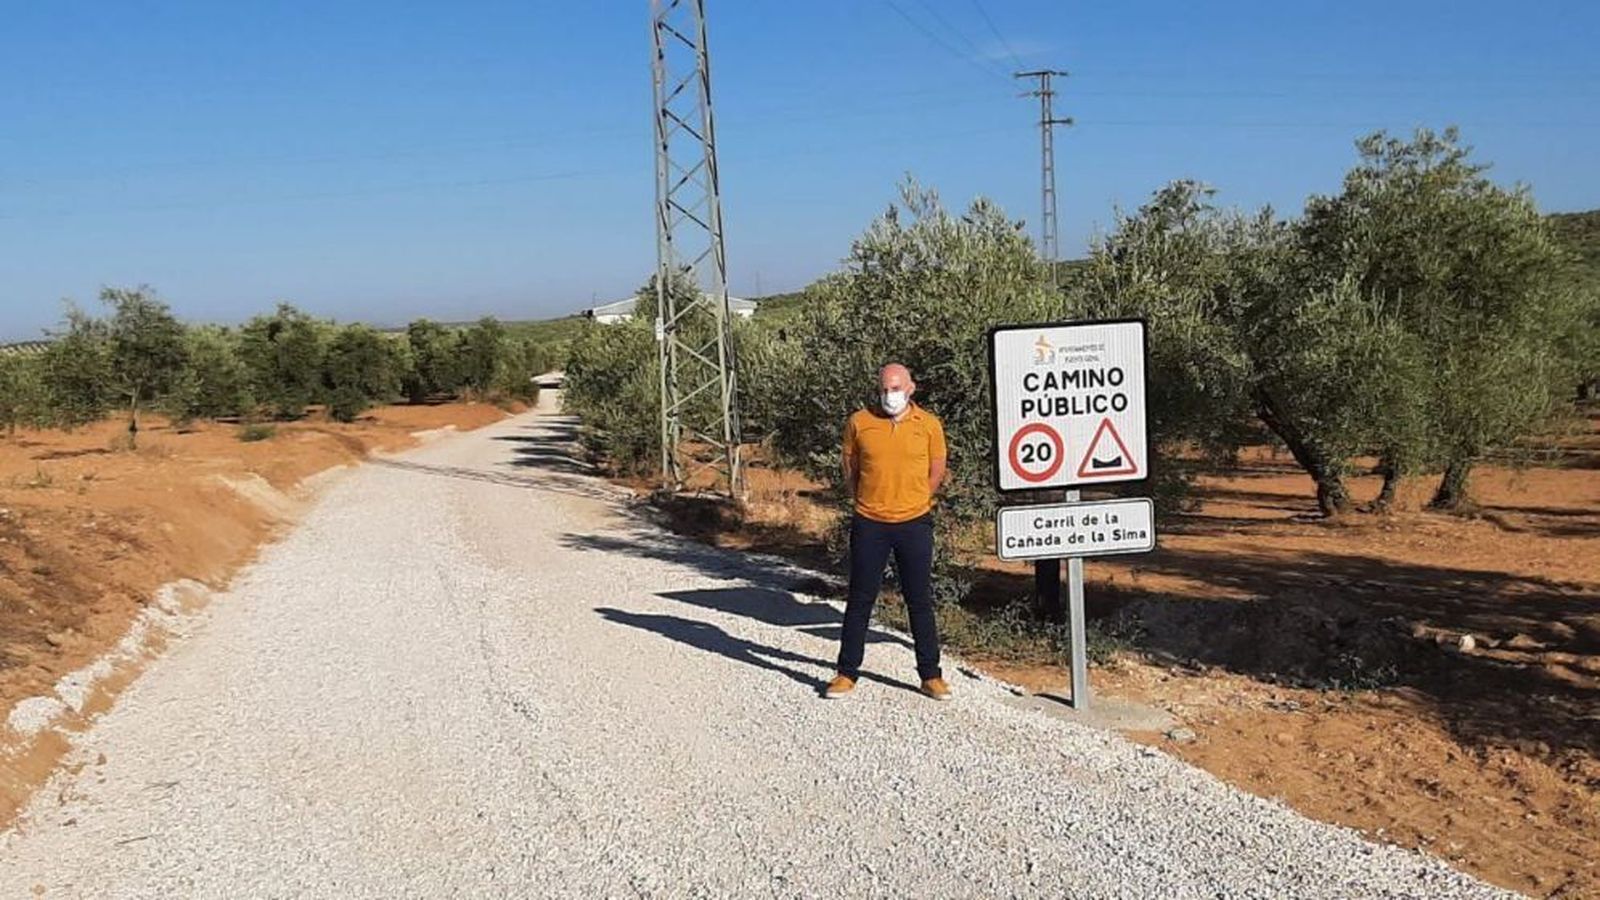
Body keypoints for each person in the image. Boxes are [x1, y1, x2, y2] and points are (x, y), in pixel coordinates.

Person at [825, 363, 951, 701]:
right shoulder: (859, 422)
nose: (889, 395)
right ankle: (846, 672)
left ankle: (931, 675)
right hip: (870, 522)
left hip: (914, 522)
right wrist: (862, 499)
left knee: (919, 599)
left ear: (911, 388)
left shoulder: (928, 425)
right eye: (884, 388)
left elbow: (937, 466)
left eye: (895, 388)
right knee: (860, 598)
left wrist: (922, 496)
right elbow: (849, 465)